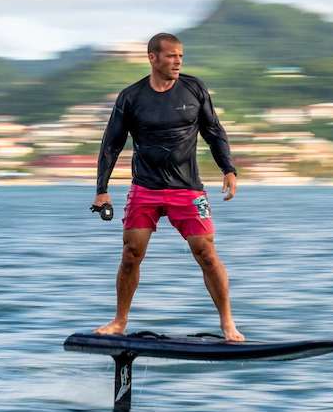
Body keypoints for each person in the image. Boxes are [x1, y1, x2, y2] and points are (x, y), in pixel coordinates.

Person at [92, 32, 244, 342]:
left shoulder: (194, 89)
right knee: (131, 253)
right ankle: (119, 321)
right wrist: (102, 188)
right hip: (144, 188)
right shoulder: (131, 97)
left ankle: (228, 323)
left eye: (181, 56)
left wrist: (228, 168)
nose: (177, 61)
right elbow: (112, 144)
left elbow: (214, 131)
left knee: (206, 252)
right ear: (153, 58)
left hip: (188, 189)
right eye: (171, 55)